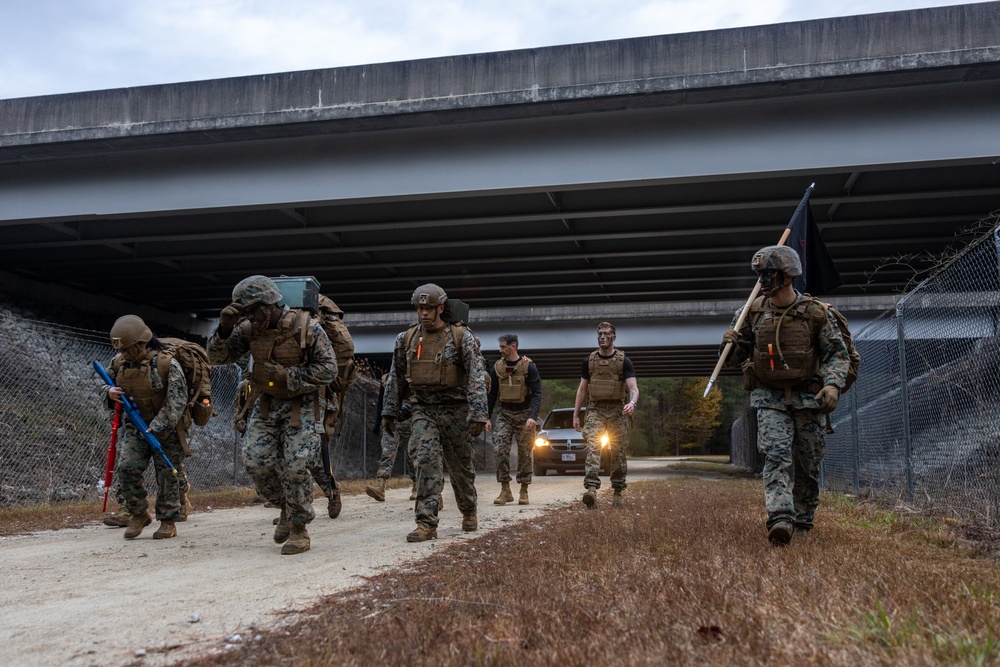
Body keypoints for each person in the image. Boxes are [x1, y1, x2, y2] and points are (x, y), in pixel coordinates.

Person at [721, 245, 850, 545]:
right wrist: (729, 344)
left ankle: (803, 521)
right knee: (776, 456)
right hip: (769, 398)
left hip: (809, 398)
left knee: (807, 463)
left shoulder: (816, 313)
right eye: (760, 275)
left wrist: (832, 385)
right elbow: (735, 356)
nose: (762, 281)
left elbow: (836, 355)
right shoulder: (750, 313)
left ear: (788, 275)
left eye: (769, 274)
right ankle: (780, 518)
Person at [207, 275, 337, 555]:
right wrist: (224, 330)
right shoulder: (248, 330)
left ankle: (300, 529)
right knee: (255, 462)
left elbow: (329, 370)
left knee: (297, 464)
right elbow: (217, 358)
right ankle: (286, 507)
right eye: (244, 313)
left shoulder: (307, 328)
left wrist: (288, 376)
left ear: (269, 304)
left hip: (301, 404)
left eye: (252, 311)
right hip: (266, 403)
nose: (249, 318)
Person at [381, 283, 488, 542]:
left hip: (457, 410)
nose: (424, 313)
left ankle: (468, 509)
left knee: (461, 467)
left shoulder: (462, 337)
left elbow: (476, 376)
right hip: (423, 409)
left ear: (441, 308)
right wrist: (389, 411)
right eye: (420, 308)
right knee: (425, 460)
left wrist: (478, 413)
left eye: (429, 308)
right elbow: (395, 377)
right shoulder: (405, 339)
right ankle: (426, 522)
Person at [98, 315, 189, 540]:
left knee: (167, 474)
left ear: (141, 344)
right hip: (136, 427)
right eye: (122, 350)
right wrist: (108, 393)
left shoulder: (166, 364)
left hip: (166, 430)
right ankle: (138, 513)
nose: (125, 354)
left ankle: (168, 521)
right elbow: (105, 383)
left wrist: (158, 427)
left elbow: (177, 400)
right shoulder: (119, 363)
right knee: (126, 467)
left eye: (129, 349)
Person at [572, 321, 638, 508]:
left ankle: (617, 490)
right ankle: (591, 489)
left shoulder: (624, 361)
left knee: (617, 452)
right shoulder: (589, 361)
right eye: (600, 333)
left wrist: (632, 403)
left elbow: (633, 388)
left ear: (614, 337)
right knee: (593, 447)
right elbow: (582, 389)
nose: (602, 336)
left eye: (606, 334)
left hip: (618, 410)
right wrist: (576, 414)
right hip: (595, 410)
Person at [485, 334, 542, 505]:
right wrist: (486, 417)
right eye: (500, 346)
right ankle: (505, 490)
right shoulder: (497, 368)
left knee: (525, 453)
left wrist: (533, 416)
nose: (500, 350)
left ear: (513, 346)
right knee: (500, 449)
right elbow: (492, 394)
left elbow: (537, 393)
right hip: (505, 414)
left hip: (524, 414)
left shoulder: (528, 367)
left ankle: (524, 490)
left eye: (503, 347)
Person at [366, 373, 416, 502]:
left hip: (410, 421)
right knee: (387, 453)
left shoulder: (416, 374)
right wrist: (377, 424)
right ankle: (380, 487)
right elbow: (381, 401)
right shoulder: (386, 379)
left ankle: (417, 487)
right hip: (391, 421)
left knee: (413, 455)